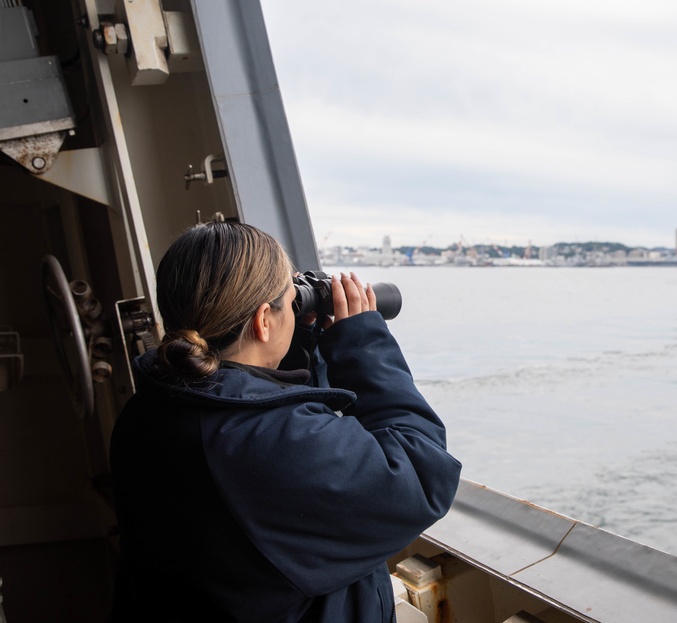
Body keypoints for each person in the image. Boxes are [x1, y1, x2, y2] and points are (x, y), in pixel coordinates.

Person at [109, 221, 461, 622]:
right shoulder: (273, 440)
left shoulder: (148, 410)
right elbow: (422, 472)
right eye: (291, 301)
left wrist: (301, 345)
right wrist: (362, 342)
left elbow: (265, 406)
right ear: (263, 320)